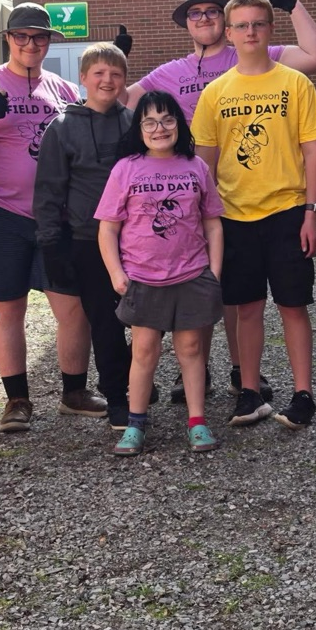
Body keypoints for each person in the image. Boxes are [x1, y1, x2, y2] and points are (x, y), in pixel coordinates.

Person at [126, 0, 316, 405]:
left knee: (274, 303)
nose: (204, 19)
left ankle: (270, 383)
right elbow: (123, 102)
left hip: (281, 206)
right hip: (219, 203)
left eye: (213, 12)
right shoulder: (179, 75)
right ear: (187, 23)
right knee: (216, 292)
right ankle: (205, 374)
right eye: (194, 13)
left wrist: (291, 5)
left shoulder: (276, 66)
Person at [0, 3, 105, 433]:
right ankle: (17, 400)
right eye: (21, 36)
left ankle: (74, 392)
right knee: (6, 307)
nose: (30, 44)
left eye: (39, 37)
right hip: (0, 211)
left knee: (72, 306)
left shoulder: (62, 90)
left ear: (49, 42)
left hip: (56, 215)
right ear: (8, 39)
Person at [192, 0, 316, 430]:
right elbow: (205, 162)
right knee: (246, 307)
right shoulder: (216, 92)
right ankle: (250, 394)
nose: (250, 32)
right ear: (229, 34)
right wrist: (202, 219)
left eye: (258, 24)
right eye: (242, 25)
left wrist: (311, 212)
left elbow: (314, 151)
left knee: (292, 305)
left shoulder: (295, 83)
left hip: (287, 211)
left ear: (270, 30)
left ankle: (303, 394)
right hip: (234, 216)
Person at [96, 91, 224, 455]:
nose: (159, 128)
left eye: (167, 120)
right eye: (149, 121)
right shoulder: (126, 168)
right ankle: (136, 424)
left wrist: (212, 272)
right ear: (138, 128)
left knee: (191, 348)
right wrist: (116, 274)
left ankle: (197, 422)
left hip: (191, 275)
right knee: (144, 351)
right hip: (143, 277)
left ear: (179, 125)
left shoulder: (195, 166)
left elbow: (213, 223)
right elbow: (107, 228)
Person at [33, 42, 134, 430]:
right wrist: (51, 243)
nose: (107, 80)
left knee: (142, 321)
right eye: (99, 73)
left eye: (116, 74)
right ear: (84, 78)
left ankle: (135, 381)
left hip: (137, 240)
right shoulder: (62, 128)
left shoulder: (133, 123)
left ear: (124, 80)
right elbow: (48, 191)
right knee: (105, 322)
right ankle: (117, 397)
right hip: (87, 240)